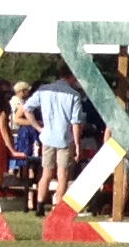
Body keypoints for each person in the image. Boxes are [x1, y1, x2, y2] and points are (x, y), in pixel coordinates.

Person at [25, 72, 84, 210]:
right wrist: (77, 145)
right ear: (71, 77)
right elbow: (75, 123)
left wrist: (38, 127)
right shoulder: (74, 94)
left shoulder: (44, 90)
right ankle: (57, 205)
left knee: (46, 172)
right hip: (65, 137)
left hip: (48, 136)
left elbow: (27, 108)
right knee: (62, 174)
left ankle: (39, 204)